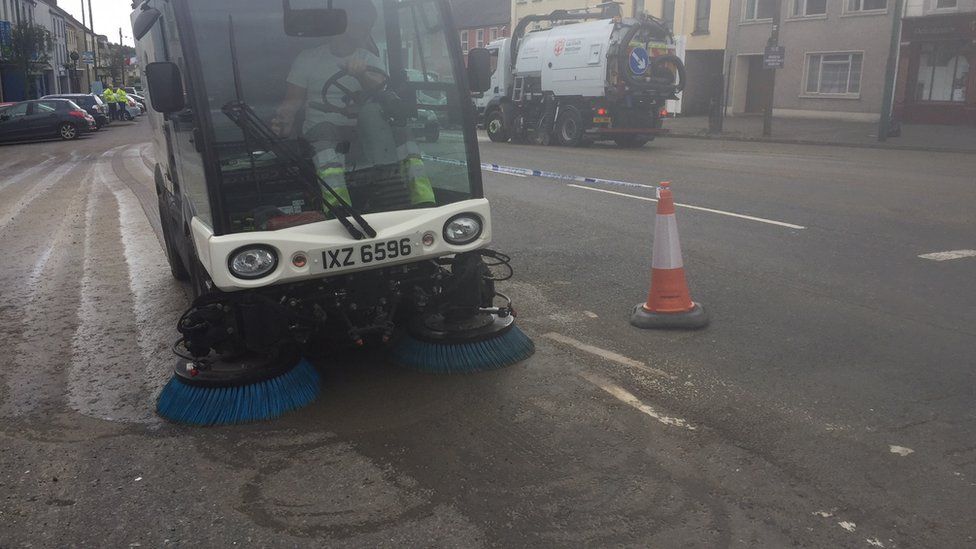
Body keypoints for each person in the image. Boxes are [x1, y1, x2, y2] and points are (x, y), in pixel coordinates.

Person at [272, 0, 434, 213]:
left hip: (363, 133)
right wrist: (283, 123)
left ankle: (422, 199)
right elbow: (291, 103)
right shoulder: (308, 59)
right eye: (361, 23)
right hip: (323, 132)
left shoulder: (369, 59)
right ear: (343, 23)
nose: (366, 29)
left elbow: (379, 90)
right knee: (325, 131)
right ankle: (338, 206)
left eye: (369, 24)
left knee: (402, 130)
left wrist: (361, 75)